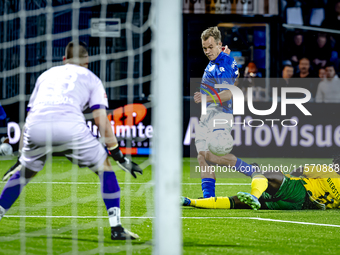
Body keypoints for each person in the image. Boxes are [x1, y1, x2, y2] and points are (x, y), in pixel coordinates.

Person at [0, 41, 143, 240]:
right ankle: (116, 227)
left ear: (64, 59)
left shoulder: (46, 75)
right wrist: (118, 155)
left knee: (26, 172)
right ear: (87, 60)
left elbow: (29, 116)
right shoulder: (91, 78)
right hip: (69, 127)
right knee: (104, 166)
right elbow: (101, 120)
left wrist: (22, 158)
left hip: (35, 128)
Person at [194, 26, 259, 199]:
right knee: (202, 156)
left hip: (221, 113)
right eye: (204, 48)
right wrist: (226, 57)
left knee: (213, 156)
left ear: (219, 44)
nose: (207, 51)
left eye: (210, 47)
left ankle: (252, 170)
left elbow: (230, 92)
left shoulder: (222, 64)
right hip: (208, 113)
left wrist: (206, 98)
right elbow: (235, 82)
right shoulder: (222, 59)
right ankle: (208, 197)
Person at [181, 155, 340, 210]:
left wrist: (286, 177)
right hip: (302, 205)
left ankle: (255, 188)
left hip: (300, 190)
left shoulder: (328, 170)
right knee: (236, 202)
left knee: (269, 176)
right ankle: (190, 202)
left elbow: (299, 170)